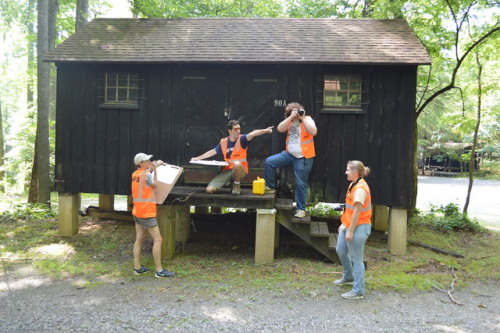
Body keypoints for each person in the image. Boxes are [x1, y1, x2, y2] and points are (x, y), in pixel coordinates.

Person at [191, 120, 273, 195]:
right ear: (229, 131)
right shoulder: (223, 142)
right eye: (236, 129)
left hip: (241, 170)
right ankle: (227, 183)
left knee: (236, 164)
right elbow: (212, 152)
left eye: (239, 129)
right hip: (228, 170)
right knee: (209, 190)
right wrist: (198, 158)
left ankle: (236, 186)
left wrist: (265, 130)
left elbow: (253, 133)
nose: (238, 131)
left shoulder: (242, 139)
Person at [264, 102, 317, 218]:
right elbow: (280, 128)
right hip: (289, 154)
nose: (297, 114)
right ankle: (270, 186)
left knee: (301, 183)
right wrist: (290, 118)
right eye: (294, 112)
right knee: (269, 161)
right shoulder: (289, 121)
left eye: (299, 111)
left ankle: (301, 209)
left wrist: (302, 118)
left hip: (304, 156)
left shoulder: (307, 119)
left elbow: (313, 131)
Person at [131, 152, 175, 278]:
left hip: (137, 211)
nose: (149, 161)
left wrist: (154, 166)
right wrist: (155, 171)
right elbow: (154, 185)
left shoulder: (136, 174)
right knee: (158, 239)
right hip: (147, 212)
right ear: (140, 163)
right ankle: (159, 270)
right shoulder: (148, 174)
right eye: (146, 160)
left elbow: (145, 172)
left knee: (139, 238)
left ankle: (137, 267)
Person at [335, 160, 372, 299]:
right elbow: (349, 209)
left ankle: (358, 291)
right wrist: (344, 224)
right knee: (341, 250)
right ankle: (348, 276)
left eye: (348, 170)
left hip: (359, 227)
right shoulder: (353, 184)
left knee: (357, 259)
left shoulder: (360, 189)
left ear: (355, 172)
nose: (346, 172)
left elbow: (357, 212)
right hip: (348, 225)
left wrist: (350, 231)